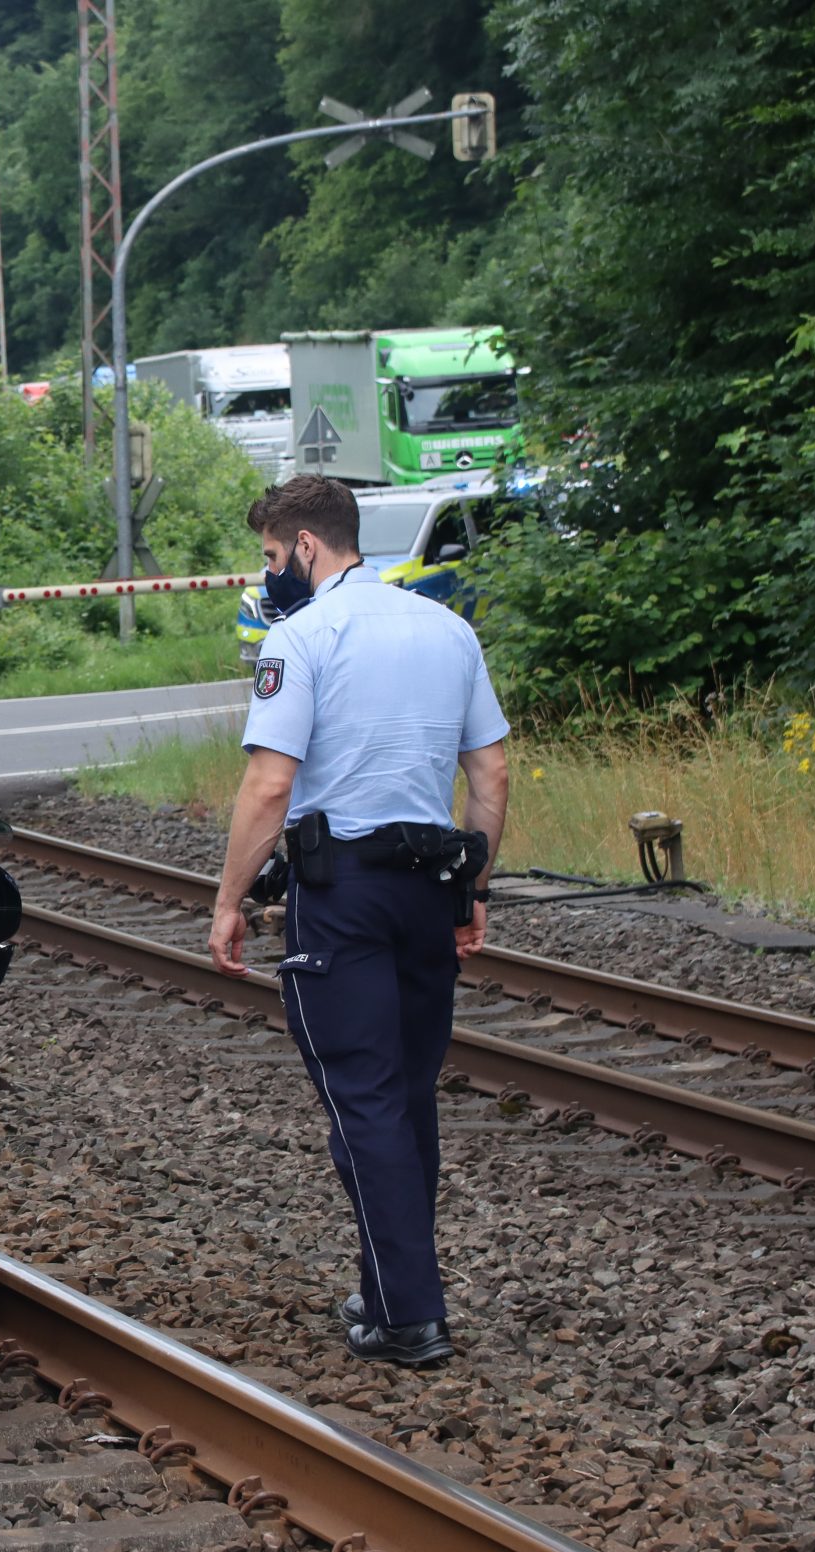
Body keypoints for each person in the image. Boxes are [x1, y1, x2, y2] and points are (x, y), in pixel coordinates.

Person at [207, 474, 509, 1368]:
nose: (268, 572)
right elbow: (490, 774)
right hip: (427, 889)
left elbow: (270, 784)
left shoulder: (301, 637)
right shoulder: (448, 629)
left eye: (271, 554)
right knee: (407, 1096)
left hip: (343, 895)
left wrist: (228, 900)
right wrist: (473, 890)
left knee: (364, 1100)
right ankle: (388, 1289)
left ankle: (410, 1317)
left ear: (306, 546)